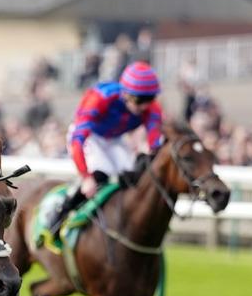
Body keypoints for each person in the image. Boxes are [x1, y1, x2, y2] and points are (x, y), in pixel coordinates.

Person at [45, 61, 164, 239]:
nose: (144, 107)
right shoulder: (100, 98)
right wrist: (86, 177)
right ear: (125, 93)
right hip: (88, 136)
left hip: (114, 139)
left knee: (135, 175)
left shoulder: (152, 108)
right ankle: (61, 211)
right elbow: (78, 140)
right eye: (140, 100)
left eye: (149, 99)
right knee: (101, 173)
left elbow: (155, 144)